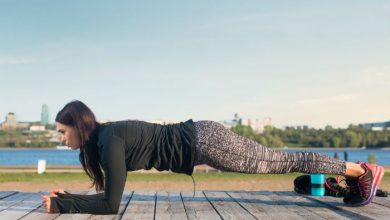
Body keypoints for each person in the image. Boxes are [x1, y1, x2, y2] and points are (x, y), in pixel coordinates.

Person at [42, 100, 384, 214]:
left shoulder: (108, 140)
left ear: (79, 126)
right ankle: (339, 179)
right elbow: (109, 197)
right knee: (281, 163)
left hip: (205, 142)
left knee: (278, 161)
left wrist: (63, 205)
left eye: (61, 131)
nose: (60, 137)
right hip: (202, 139)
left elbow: (112, 204)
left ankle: (359, 171)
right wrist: (67, 197)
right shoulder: (104, 140)